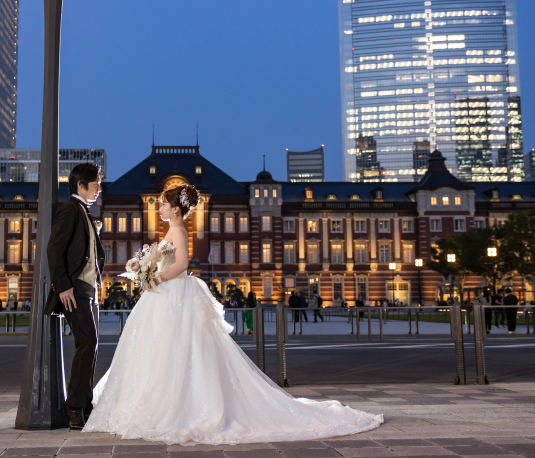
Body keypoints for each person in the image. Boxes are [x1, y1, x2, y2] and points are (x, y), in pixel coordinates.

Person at [83, 184, 382, 444]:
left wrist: (156, 277)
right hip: (165, 296)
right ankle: (163, 402)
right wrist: (148, 271)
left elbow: (183, 264)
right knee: (164, 350)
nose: (159, 207)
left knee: (175, 349)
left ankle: (175, 406)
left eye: (162, 203)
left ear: (174, 209)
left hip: (171, 293)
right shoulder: (171, 229)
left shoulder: (178, 230)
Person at [44, 162, 105, 430]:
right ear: (81, 185)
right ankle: (75, 406)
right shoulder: (70, 209)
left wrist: (94, 232)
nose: (99, 189)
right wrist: (63, 285)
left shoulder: (83, 213)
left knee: (90, 345)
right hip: (75, 289)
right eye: (95, 185)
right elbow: (54, 248)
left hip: (87, 289)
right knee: (87, 341)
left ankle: (85, 404)